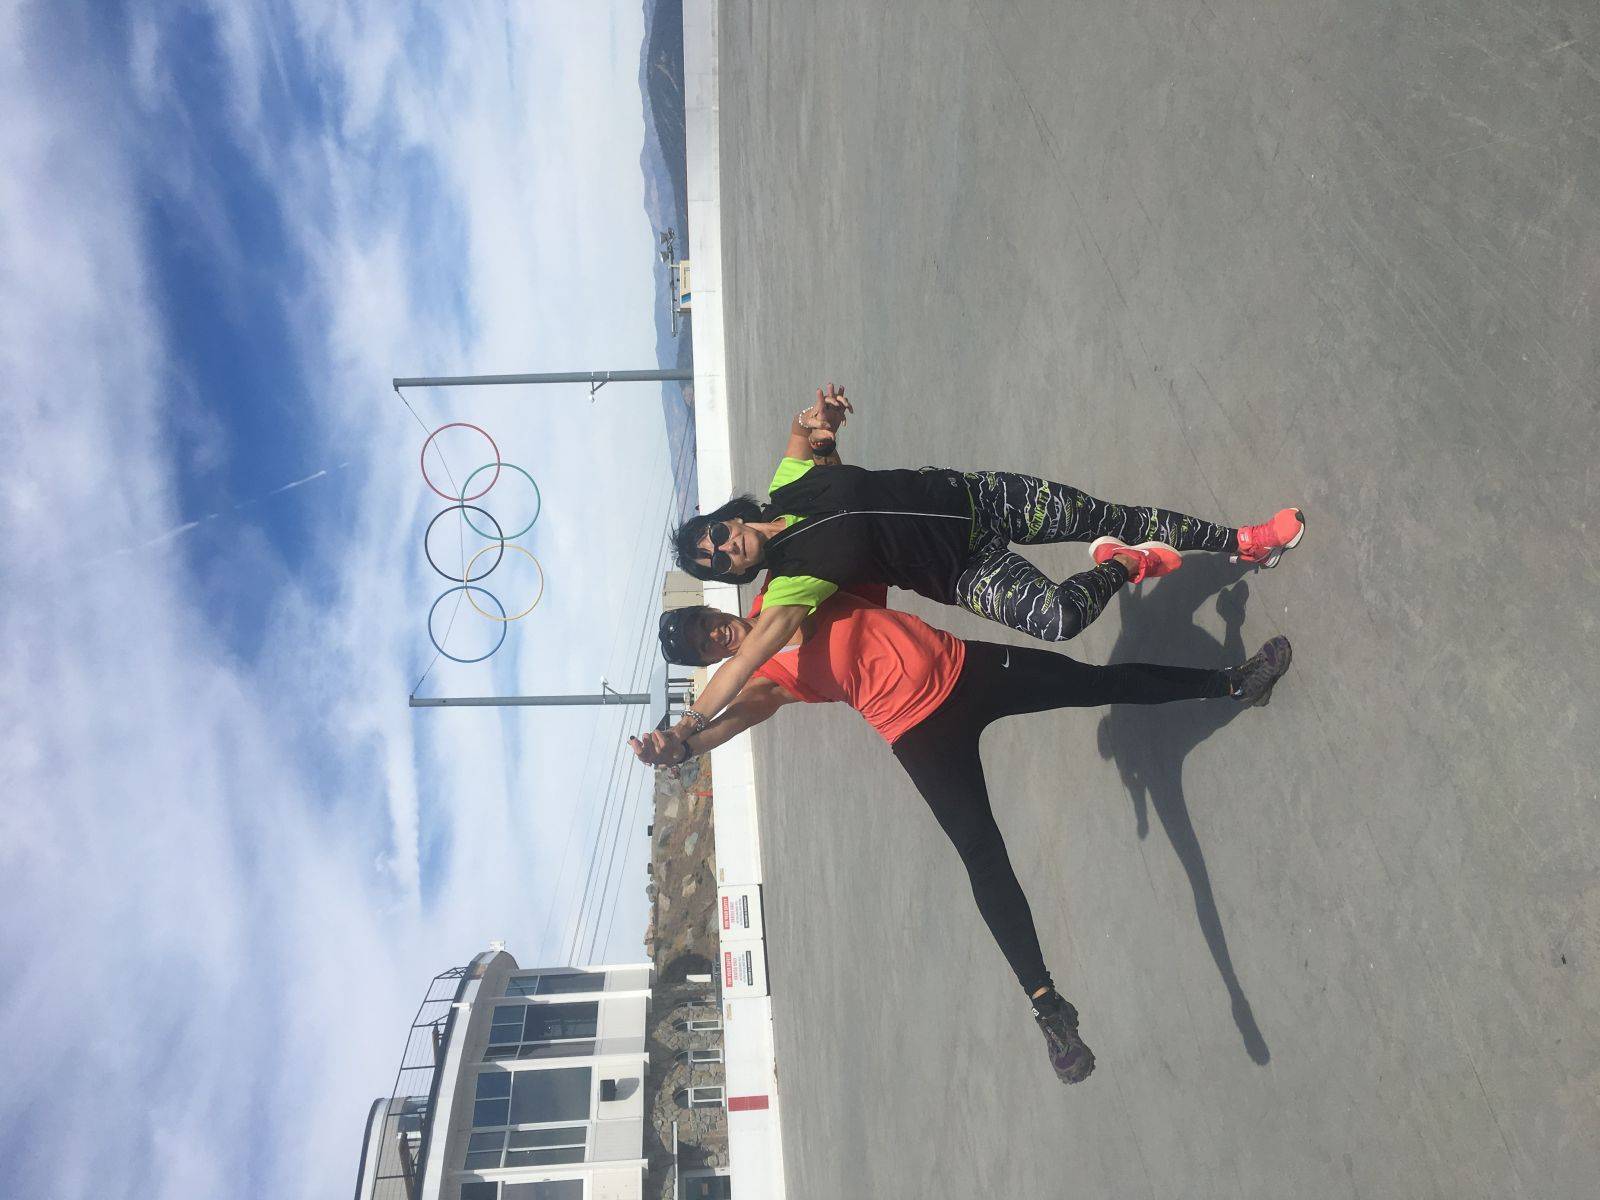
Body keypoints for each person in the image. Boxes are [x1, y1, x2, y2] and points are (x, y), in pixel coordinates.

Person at [635, 584, 1294, 1084]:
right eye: (703, 645)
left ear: (713, 609)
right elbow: (730, 722)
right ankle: (1048, 1008)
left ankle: (1234, 683)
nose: (714, 635)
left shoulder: (785, 590)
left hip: (967, 670)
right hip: (918, 735)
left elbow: (836, 522)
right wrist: (682, 745)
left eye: (704, 623)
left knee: (1096, 682)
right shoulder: (765, 681)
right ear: (710, 661)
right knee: (982, 853)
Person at [656, 385, 1303, 775]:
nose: (723, 548)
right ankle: (1122, 563)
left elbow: (805, 430)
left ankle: (1245, 542)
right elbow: (749, 664)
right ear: (732, 575)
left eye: (714, 536)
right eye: (714, 562)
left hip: (978, 497)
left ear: (725, 518)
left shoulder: (788, 483)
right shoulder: (789, 585)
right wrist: (690, 725)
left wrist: (822, 420)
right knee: (1060, 618)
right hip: (963, 571)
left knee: (1113, 513)